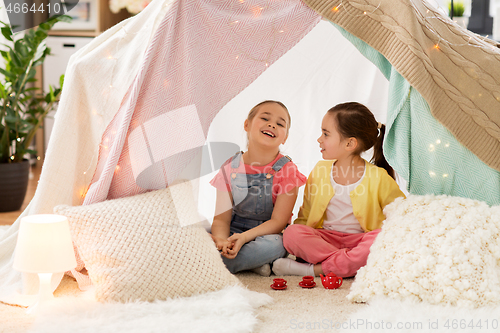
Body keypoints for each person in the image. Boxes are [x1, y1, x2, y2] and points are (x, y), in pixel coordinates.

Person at [272, 102, 405, 277]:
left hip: (360, 241)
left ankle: (314, 269)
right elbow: (305, 214)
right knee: (291, 233)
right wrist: (299, 242)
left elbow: (401, 215)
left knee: (381, 239)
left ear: (350, 143)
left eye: (326, 134)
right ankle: (348, 264)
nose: (319, 139)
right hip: (325, 239)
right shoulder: (320, 170)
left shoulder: (379, 177)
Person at [210, 100, 306, 276]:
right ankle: (246, 262)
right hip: (232, 230)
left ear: (285, 137)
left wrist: (245, 238)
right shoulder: (230, 167)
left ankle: (216, 264)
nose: (272, 124)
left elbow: (278, 222)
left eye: (280, 123)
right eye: (265, 118)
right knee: (194, 229)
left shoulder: (288, 171)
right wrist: (222, 242)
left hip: (266, 234)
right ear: (247, 125)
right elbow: (221, 220)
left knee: (277, 245)